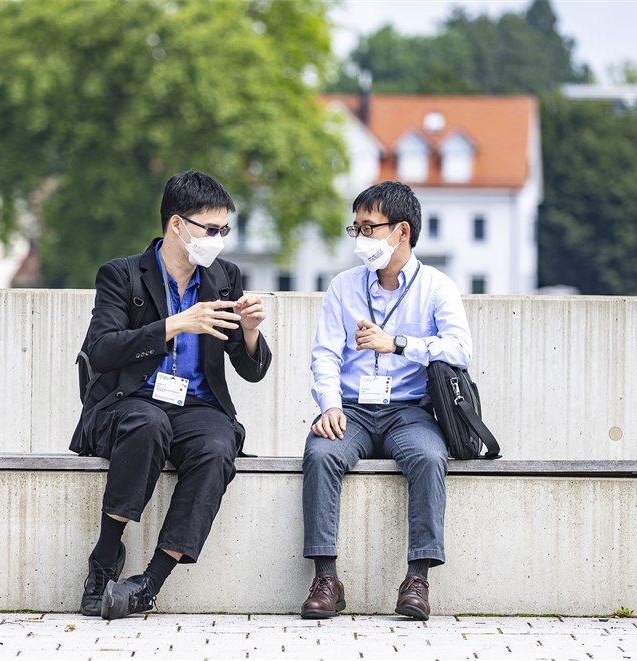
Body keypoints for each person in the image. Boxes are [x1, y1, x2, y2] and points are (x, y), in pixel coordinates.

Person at [70, 170, 272, 620]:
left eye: (224, 229)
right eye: (211, 229)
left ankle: (149, 583)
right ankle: (105, 557)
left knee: (219, 446)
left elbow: (251, 369)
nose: (219, 239)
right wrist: (176, 324)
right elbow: (100, 350)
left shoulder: (224, 277)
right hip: (130, 402)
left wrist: (252, 333)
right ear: (177, 225)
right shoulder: (123, 276)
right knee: (148, 423)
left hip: (197, 406)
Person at [300, 180, 472, 620]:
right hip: (353, 410)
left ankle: (417, 579)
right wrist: (330, 406)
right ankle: (326, 579)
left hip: (410, 412)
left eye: (368, 228)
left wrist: (398, 344)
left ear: (402, 232)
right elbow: (324, 355)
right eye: (355, 228)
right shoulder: (343, 286)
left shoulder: (436, 286)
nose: (360, 238)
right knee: (320, 453)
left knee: (430, 458)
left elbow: (459, 349)